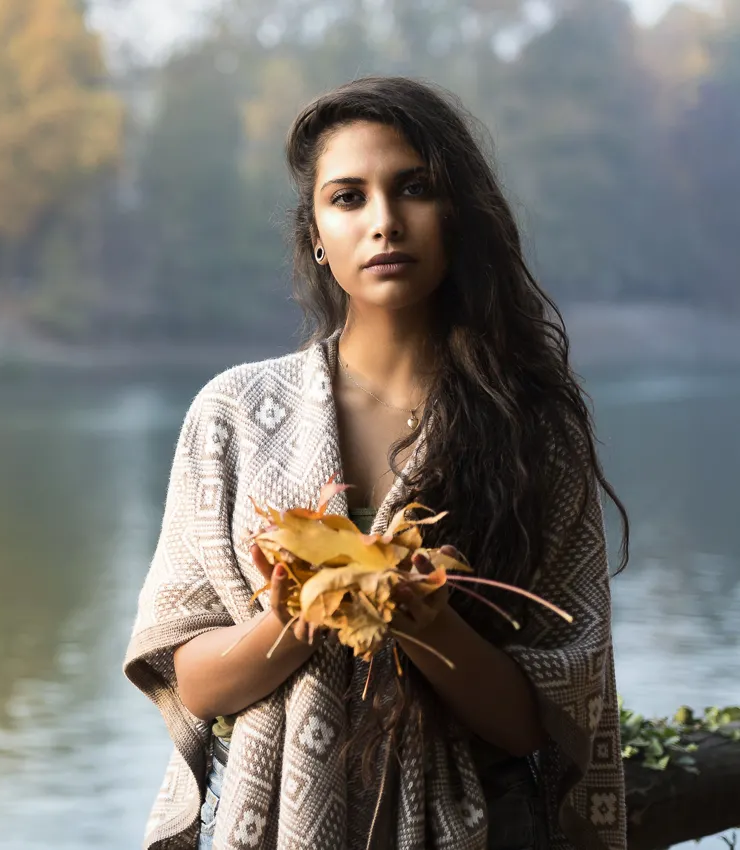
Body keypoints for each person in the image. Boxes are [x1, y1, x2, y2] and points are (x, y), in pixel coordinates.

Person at [123, 76, 630, 850]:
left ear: (457, 215)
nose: (385, 222)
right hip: (277, 822)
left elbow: (546, 721)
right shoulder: (233, 416)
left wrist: (432, 627)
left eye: (414, 189)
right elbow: (195, 681)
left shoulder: (532, 428)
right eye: (349, 197)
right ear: (317, 235)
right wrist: (291, 618)